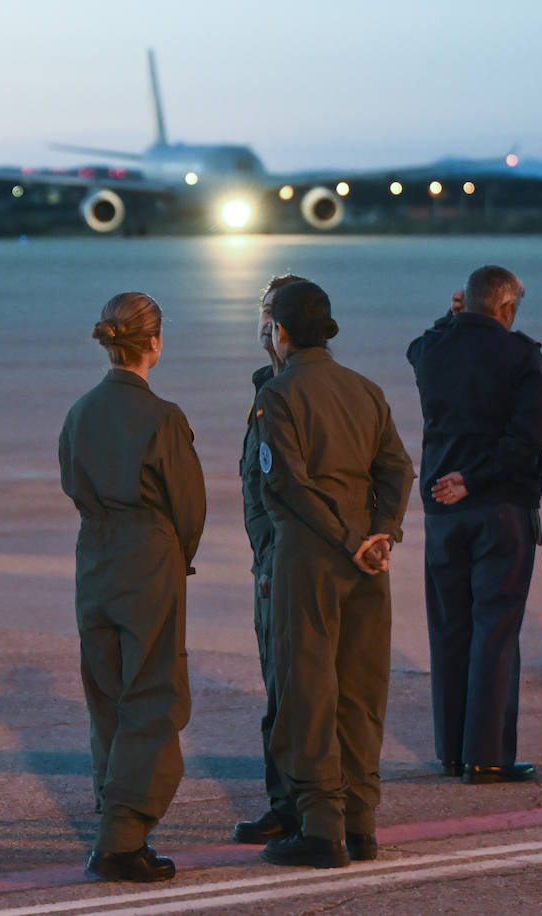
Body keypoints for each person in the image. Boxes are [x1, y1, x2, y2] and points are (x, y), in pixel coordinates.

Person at [254, 281, 414, 868]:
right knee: (362, 690)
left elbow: (289, 483)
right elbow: (398, 468)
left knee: (309, 690)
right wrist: (382, 533)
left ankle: (322, 827)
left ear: (283, 333)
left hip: (312, 560)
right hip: (371, 564)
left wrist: (349, 541)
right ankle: (361, 823)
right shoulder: (366, 391)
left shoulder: (279, 395)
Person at [58, 292, 206, 882]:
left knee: (107, 694)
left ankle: (109, 805)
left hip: (94, 557)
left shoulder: (80, 411)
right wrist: (177, 556)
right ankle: (122, 837)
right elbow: (189, 508)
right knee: (152, 694)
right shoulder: (162, 417)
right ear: (153, 342)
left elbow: (71, 479)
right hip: (148, 555)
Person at [407, 265, 542, 784]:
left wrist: (451, 320)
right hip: (500, 512)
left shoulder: (432, 349)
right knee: (495, 630)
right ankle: (487, 757)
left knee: (449, 628)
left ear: (463, 304)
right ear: (507, 309)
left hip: (442, 513)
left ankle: (451, 752)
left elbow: (418, 346)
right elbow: (530, 435)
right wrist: (477, 478)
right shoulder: (521, 355)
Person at [232, 274, 304, 846]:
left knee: (306, 689)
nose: (263, 327)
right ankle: (285, 803)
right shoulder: (267, 390)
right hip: (274, 561)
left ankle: (317, 809)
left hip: (301, 565)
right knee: (277, 689)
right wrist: (263, 554)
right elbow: (255, 488)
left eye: (270, 315)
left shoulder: (302, 392)